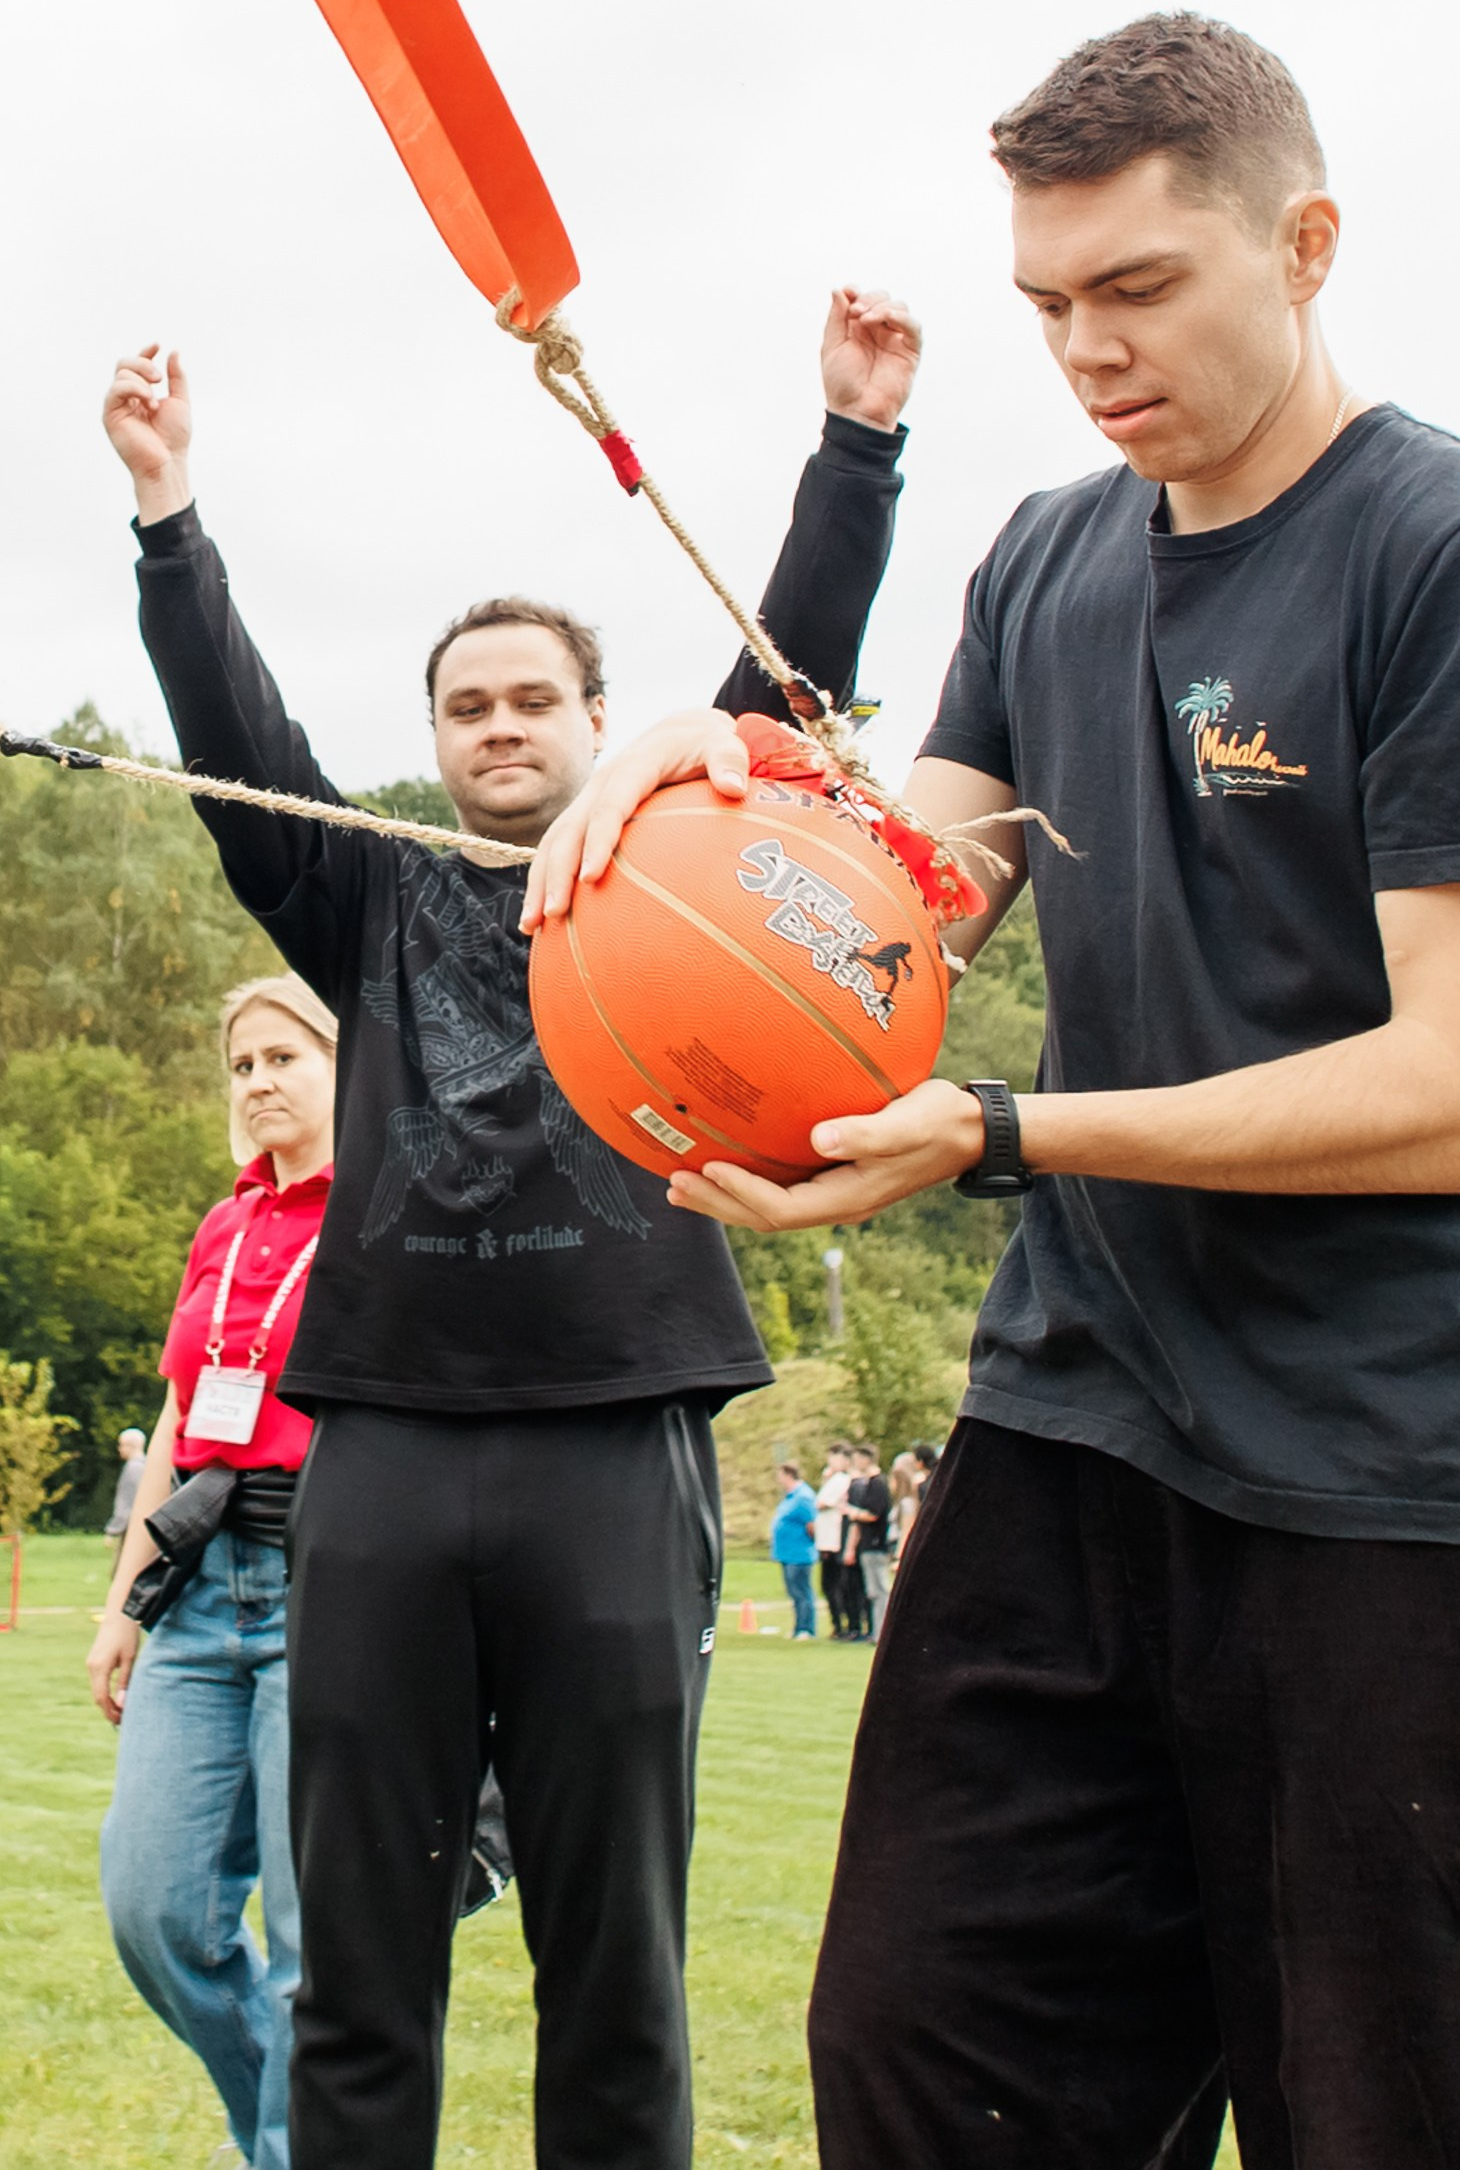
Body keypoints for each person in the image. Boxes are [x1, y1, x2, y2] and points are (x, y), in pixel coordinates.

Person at [525, 13, 1460, 2170]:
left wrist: (999, 1135)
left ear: (1308, 244)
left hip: (1405, 1469)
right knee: (928, 2064)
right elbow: (895, 912)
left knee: (1428, 2117)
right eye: (1049, 306)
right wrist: (715, 777)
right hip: (1079, 1429)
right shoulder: (1050, 562)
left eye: (1139, 289)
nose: (1086, 350)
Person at [100, 285, 919, 2170]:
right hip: (377, 1456)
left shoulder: (674, 879)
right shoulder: (360, 896)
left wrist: (856, 447)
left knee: (612, 1964)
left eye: (532, 698)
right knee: (362, 1970)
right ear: (436, 739)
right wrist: (169, 512)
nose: (497, 727)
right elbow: (233, 719)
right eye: (464, 706)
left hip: (614, 1451)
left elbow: (788, 675)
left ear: (597, 722)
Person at [89, 972, 336, 2170]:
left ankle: (293, 2152)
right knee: (155, 1912)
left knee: (310, 1947)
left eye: (284, 1057)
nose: (259, 1083)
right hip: (194, 1596)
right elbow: (183, 1413)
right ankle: (280, 2134)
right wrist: (122, 1607)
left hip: (322, 1595)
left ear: (344, 1069)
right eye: (242, 1066)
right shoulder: (223, 1227)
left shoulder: (385, 1220)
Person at [842, 1443, 892, 1640]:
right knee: (872, 1591)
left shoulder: (878, 1484)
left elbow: (874, 1514)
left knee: (880, 1590)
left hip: (875, 1543)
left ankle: (882, 1632)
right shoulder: (868, 1484)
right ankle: (876, 1630)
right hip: (867, 1545)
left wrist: (851, 1511)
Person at [814, 1443, 862, 1640]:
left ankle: (843, 1625)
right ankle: (838, 1624)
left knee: (835, 1586)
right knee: (828, 1586)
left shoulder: (842, 1479)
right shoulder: (832, 1479)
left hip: (833, 1540)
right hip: (825, 1539)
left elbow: (823, 1503)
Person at [770, 1462, 819, 1637]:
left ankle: (807, 1628)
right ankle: (798, 1626)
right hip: (787, 1553)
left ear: (788, 1475)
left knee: (802, 1591)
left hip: (799, 1553)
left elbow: (811, 1525)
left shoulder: (803, 1497)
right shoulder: (790, 1497)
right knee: (794, 1592)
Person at [103, 1424, 147, 1572]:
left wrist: (112, 1531)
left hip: (130, 1530)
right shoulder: (146, 1466)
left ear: (131, 1446)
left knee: (121, 1571)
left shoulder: (133, 1469)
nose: (119, 1449)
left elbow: (126, 1502)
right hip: (142, 1529)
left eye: (121, 1445)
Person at [886, 1450, 926, 1564]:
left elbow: (906, 1529)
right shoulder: (900, 1501)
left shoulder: (908, 1502)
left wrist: (899, 1557)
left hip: (900, 1548)